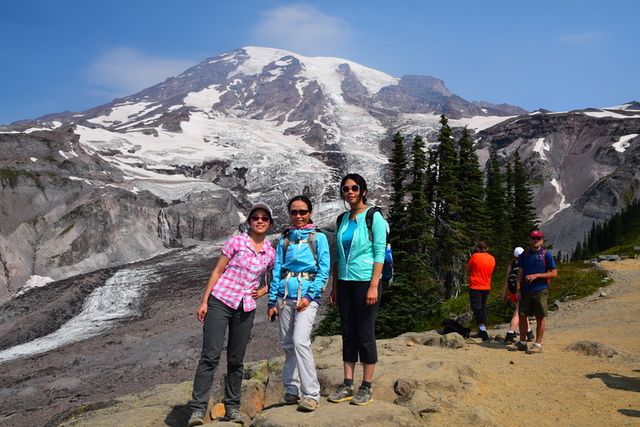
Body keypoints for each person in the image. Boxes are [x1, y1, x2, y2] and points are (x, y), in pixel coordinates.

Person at [188, 203, 276, 427]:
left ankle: (232, 407)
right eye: (255, 217)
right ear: (249, 221)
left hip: (246, 307)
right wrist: (204, 301)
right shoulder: (236, 242)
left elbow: (276, 276)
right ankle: (198, 409)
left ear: (270, 223)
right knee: (211, 354)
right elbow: (217, 271)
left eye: (264, 218)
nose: (259, 220)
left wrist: (264, 290)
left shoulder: (270, 251)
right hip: (221, 300)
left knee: (236, 359)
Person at [328, 173, 388, 406]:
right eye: (346, 189)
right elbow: (337, 256)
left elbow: (379, 252)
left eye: (355, 188)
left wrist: (374, 285)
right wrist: (334, 287)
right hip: (344, 282)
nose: (350, 192)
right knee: (348, 332)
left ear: (363, 191)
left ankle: (367, 387)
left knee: (364, 333)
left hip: (366, 282)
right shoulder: (342, 218)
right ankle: (347, 384)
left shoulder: (374, 218)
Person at [267, 196, 330, 412]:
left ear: (310, 213)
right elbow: (277, 270)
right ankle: (292, 391)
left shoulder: (318, 238)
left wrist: (310, 296)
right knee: (288, 343)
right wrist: (271, 302)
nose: (299, 216)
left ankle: (311, 394)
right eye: (294, 212)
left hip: (306, 295)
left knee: (300, 340)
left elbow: (323, 269)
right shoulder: (285, 239)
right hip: (284, 297)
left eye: (303, 212)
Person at [510, 230, 557, 354]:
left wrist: (537, 275)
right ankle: (522, 342)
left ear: (541, 241)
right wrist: (518, 289)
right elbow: (520, 272)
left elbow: (553, 273)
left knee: (539, 317)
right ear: (530, 240)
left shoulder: (546, 255)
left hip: (540, 289)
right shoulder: (525, 255)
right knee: (522, 316)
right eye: (533, 238)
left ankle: (537, 344)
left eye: (538, 238)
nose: (535, 240)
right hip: (525, 290)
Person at [502, 247, 534, 344]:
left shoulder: (511, 266)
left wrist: (505, 294)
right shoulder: (525, 264)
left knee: (521, 312)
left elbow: (507, 281)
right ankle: (510, 334)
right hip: (522, 291)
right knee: (518, 313)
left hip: (513, 292)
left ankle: (529, 332)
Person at [466, 241, 496, 341]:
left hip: (476, 286)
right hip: (486, 285)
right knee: (482, 307)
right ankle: (483, 328)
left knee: (476, 308)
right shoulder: (492, 258)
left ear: (478, 249)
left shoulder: (475, 256)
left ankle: (483, 330)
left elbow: (468, 268)